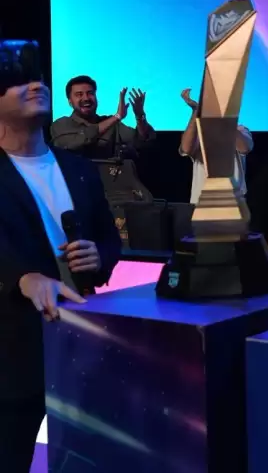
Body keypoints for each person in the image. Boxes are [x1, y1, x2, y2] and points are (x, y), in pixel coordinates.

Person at [0, 72, 120, 473]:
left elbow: (109, 239)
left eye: (39, 80)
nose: (37, 87)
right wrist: (21, 277)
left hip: (82, 343)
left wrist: (99, 256)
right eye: (19, 83)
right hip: (13, 350)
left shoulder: (79, 168)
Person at [50, 76, 156, 203]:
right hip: (76, 191)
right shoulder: (61, 124)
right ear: (70, 102)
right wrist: (117, 117)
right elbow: (76, 142)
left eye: (90, 93)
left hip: (113, 193)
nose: (86, 98)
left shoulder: (112, 124)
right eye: (79, 94)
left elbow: (141, 140)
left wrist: (139, 115)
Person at [178, 88, 254, 204]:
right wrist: (196, 111)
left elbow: (244, 147)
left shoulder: (240, 130)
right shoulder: (200, 133)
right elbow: (186, 148)